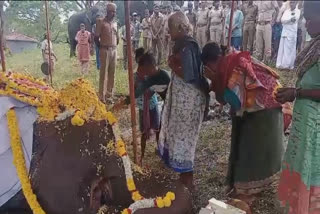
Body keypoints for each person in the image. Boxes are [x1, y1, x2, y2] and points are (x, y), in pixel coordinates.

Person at [201, 42, 291, 202]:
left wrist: (214, 78)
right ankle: (245, 187)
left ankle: (249, 191)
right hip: (258, 106)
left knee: (253, 151)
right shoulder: (227, 61)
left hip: (265, 108)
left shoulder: (230, 67)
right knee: (245, 145)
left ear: (211, 62)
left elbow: (233, 102)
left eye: (207, 67)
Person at [276, 1, 320, 213]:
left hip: (316, 124)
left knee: (312, 167)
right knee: (301, 163)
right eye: (305, 17)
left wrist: (297, 93)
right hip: (305, 119)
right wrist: (294, 91)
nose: (306, 22)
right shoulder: (315, 44)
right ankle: (297, 206)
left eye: (310, 18)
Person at [158, 11, 208, 190]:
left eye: (170, 29)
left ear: (180, 28)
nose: (169, 33)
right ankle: (185, 176)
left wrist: (172, 64)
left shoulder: (187, 46)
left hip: (189, 100)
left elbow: (188, 75)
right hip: (184, 99)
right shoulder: (184, 44)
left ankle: (188, 179)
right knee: (181, 135)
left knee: (184, 136)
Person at [123, 49, 171, 165]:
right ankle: (164, 154)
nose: (143, 73)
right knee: (161, 129)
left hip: (173, 105)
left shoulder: (165, 76)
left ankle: (167, 155)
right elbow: (138, 92)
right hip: (167, 106)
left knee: (166, 131)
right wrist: (124, 102)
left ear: (151, 66)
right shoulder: (149, 79)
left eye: (144, 70)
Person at [95, 2, 119, 103]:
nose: (113, 13)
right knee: (103, 73)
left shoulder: (115, 23)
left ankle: (109, 95)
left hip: (114, 50)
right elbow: (96, 37)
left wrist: (116, 43)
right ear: (107, 11)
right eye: (111, 11)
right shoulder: (100, 22)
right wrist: (100, 47)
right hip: (104, 50)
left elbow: (117, 36)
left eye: (114, 12)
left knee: (112, 73)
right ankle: (102, 96)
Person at [276, 1, 300, 70]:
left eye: (293, 2)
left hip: (292, 33)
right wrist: (289, 20)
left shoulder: (298, 11)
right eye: (291, 2)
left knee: (290, 50)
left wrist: (287, 20)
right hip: (285, 32)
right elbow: (282, 20)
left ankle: (288, 65)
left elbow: (294, 20)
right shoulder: (286, 11)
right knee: (282, 49)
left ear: (296, 3)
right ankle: (281, 64)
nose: (292, 4)